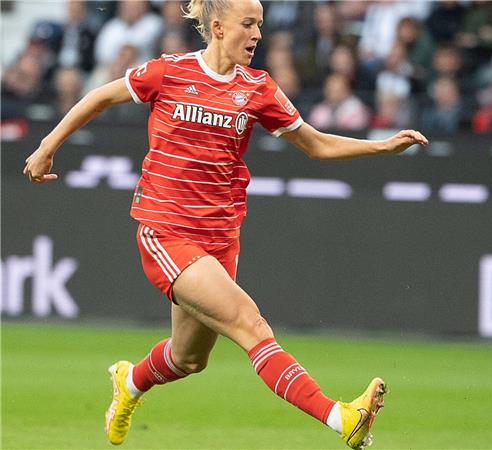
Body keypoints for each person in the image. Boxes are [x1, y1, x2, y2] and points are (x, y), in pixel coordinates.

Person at [22, 1, 428, 449]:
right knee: (250, 325)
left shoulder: (258, 88)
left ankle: (129, 382)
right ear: (217, 27)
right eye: (248, 24)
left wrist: (382, 147)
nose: (257, 35)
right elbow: (100, 96)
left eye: (260, 25)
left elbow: (315, 144)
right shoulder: (168, 72)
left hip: (220, 239)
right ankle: (341, 418)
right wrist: (47, 146)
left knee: (188, 358)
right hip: (166, 232)